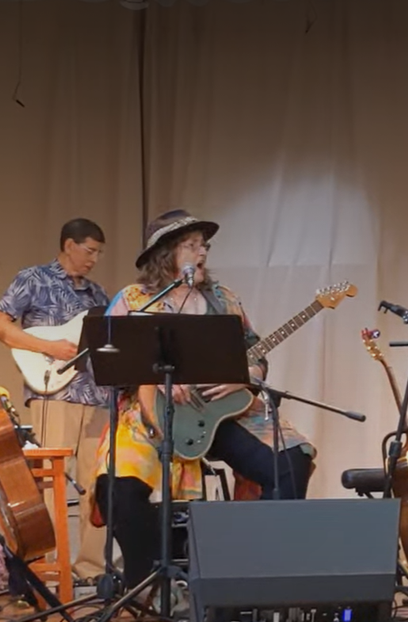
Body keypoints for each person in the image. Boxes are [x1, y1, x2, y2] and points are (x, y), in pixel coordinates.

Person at [93, 210, 315, 589]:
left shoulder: (224, 299)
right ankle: (143, 583)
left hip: (221, 413)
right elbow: (110, 359)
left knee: (292, 459)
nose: (202, 253)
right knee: (118, 486)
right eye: (191, 245)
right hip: (151, 413)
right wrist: (154, 376)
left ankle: (255, 573)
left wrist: (245, 377)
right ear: (165, 253)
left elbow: (256, 353)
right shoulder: (135, 299)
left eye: (204, 246)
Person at [0, 218, 111, 582]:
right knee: (51, 482)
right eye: (89, 251)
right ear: (69, 245)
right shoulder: (34, 279)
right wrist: (48, 347)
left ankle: (92, 569)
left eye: (99, 253)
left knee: (98, 484)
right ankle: (49, 568)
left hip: (96, 397)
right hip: (54, 392)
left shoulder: (98, 295)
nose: (94, 259)